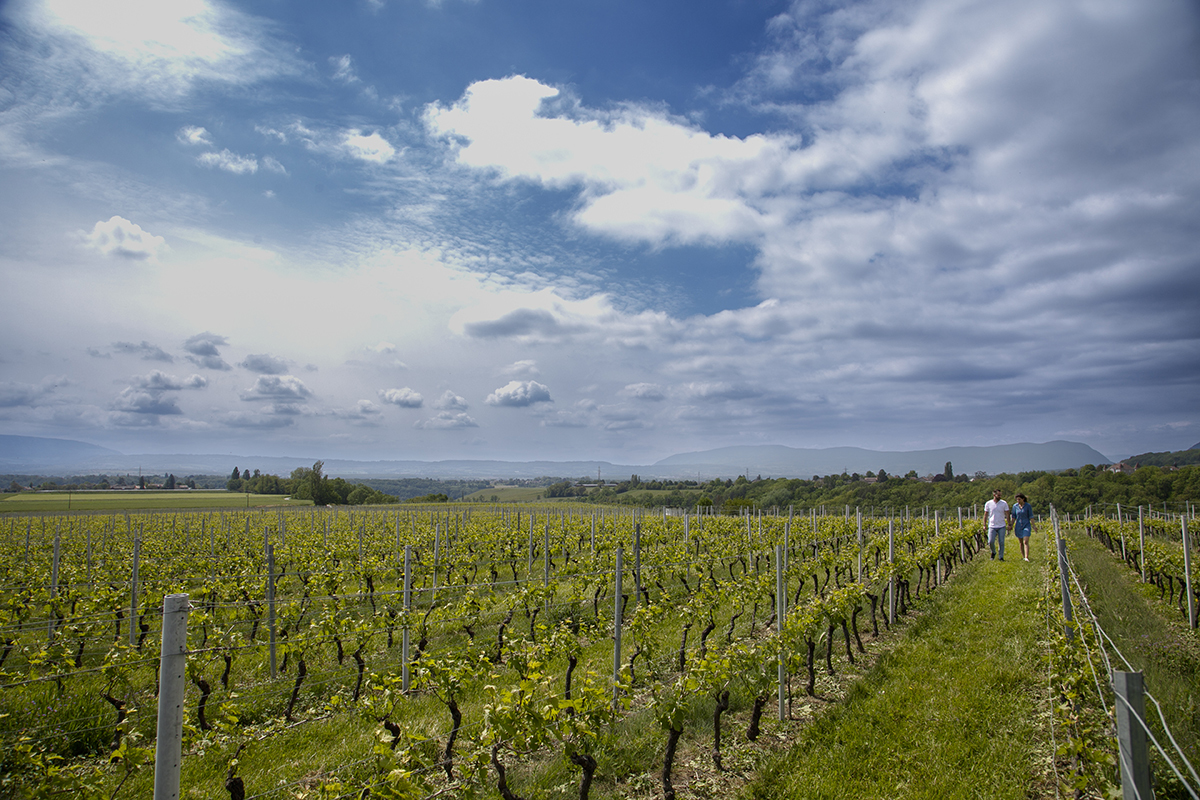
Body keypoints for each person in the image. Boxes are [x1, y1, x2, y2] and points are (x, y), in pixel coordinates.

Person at [984, 488, 1011, 561]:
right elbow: (985, 515)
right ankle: (993, 552)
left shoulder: (1004, 503)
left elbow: (1007, 514)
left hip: (1001, 525)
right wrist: (984, 525)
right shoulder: (988, 503)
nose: (1000, 496)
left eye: (1000, 495)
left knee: (1001, 542)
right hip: (992, 525)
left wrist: (1009, 524)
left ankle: (1001, 557)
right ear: (994, 495)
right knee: (990, 541)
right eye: (998, 495)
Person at [1011, 493, 1033, 561]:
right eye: (1017, 499)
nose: (1018, 501)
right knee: (1021, 542)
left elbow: (1031, 516)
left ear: (1023, 499)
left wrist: (1034, 526)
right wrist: (1011, 524)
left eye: (1019, 499)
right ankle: (1023, 556)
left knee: (1025, 541)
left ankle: (1026, 557)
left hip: (1026, 525)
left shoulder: (1028, 506)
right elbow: (1014, 516)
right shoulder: (1015, 506)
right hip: (1018, 526)